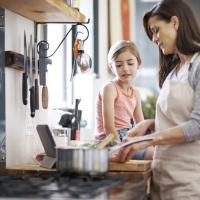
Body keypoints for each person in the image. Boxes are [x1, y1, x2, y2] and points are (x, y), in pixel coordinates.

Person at [117, 0, 200, 199]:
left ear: (175, 22)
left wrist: (146, 140)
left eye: (156, 30)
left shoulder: (198, 66)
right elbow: (179, 119)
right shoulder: (175, 70)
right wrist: (150, 124)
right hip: (161, 177)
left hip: (188, 182)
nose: (154, 39)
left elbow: (197, 126)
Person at [96, 40, 153, 160]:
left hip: (127, 136)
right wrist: (119, 148)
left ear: (138, 63)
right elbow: (109, 127)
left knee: (157, 152)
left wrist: (146, 142)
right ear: (112, 67)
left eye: (130, 63)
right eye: (118, 65)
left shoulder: (135, 92)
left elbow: (141, 124)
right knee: (154, 155)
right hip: (109, 140)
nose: (125, 69)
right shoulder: (110, 88)